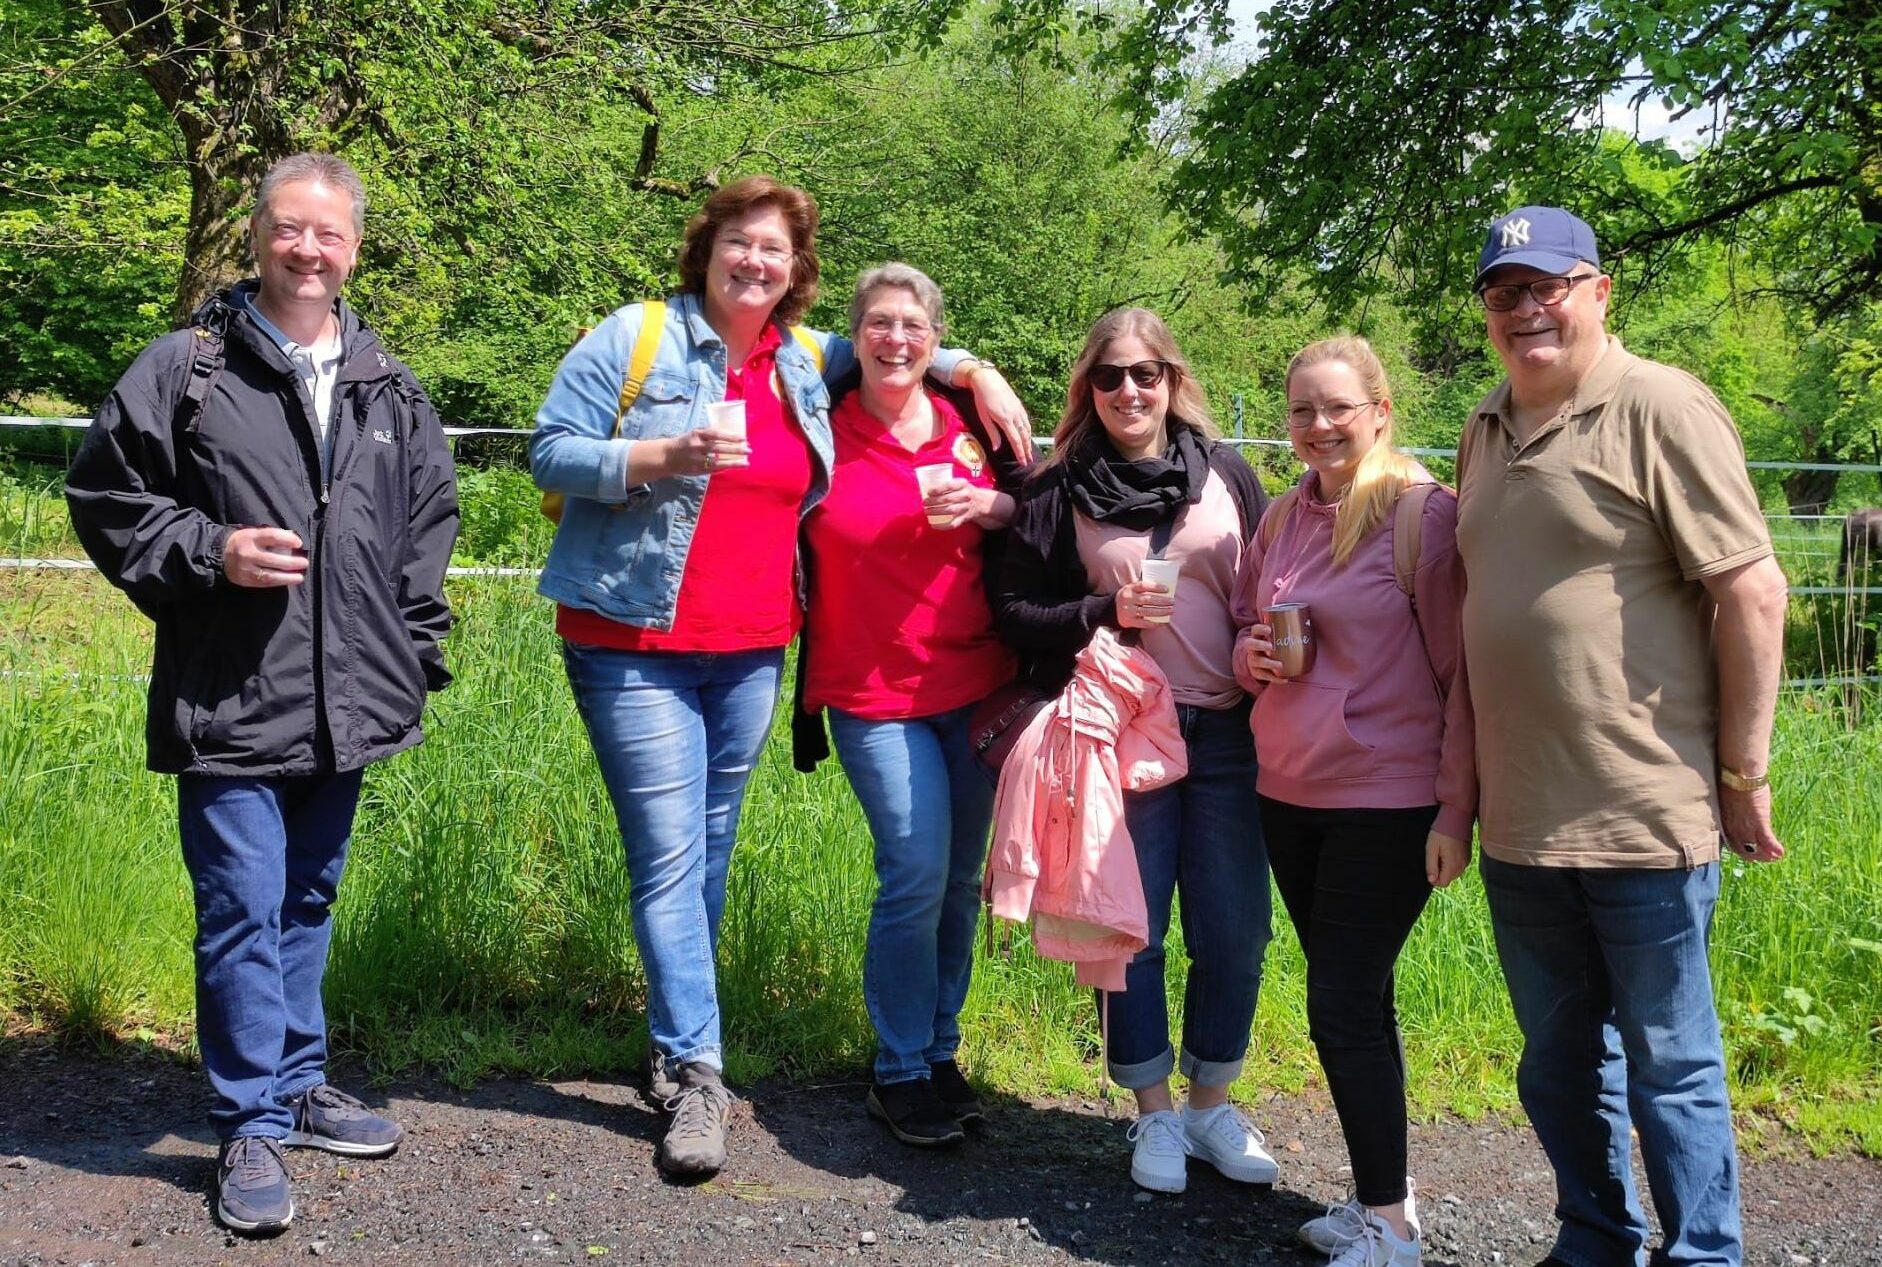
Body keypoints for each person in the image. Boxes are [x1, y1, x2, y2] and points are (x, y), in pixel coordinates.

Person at [529, 176, 1028, 1180]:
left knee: (706, 853)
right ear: (706, 247)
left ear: (796, 271)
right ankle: (695, 1072)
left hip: (754, 647)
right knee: (671, 856)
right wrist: (660, 451)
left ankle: (684, 1039)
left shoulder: (805, 358)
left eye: (776, 250)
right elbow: (547, 451)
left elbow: (900, 344)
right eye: (740, 243)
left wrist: (976, 367)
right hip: (633, 638)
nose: (756, 261)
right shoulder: (635, 336)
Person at [64, 152, 459, 1236]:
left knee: (305, 899)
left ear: (354, 246)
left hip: (350, 704)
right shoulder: (184, 369)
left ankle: (295, 1079)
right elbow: (106, 496)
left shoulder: (388, 383)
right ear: (258, 235)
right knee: (241, 906)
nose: (308, 249)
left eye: (328, 233)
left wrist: (410, 654)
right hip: (230, 694)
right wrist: (210, 548)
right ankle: (247, 1120)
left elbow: (426, 532)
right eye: (290, 228)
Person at [1457, 206, 1789, 1267]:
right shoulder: (1481, 425)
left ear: (1599, 291)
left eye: (1546, 285)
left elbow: (1752, 592)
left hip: (1644, 812)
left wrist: (1744, 769)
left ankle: (1703, 1255)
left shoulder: (1658, 405)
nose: (1525, 309)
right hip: (1520, 824)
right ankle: (1594, 1240)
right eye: (1504, 293)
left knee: (1671, 1064)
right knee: (1556, 1063)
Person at [992, 306, 1275, 1195]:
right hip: (1119, 738)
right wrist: (1100, 613)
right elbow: (1012, 616)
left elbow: (1272, 585)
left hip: (1228, 729)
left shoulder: (1228, 473)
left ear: (1173, 381)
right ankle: (1152, 1113)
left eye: (1145, 373)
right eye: (1110, 376)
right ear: (1088, 389)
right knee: (1131, 931)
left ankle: (1211, 1104)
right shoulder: (1055, 489)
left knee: (1237, 931)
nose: (1128, 390)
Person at [1231, 336, 1474, 1267]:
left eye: (1337, 406)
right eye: (1301, 410)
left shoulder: (1423, 516)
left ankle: (1391, 1231)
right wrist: (1249, 659)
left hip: (1389, 798)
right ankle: (1388, 1192)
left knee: (1337, 1003)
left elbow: (1463, 676)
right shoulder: (1286, 516)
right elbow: (1253, 627)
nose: (1318, 425)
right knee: (1361, 1000)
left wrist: (1455, 808)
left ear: (1380, 409)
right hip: (1289, 791)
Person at [794, 263, 1032, 1147]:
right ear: (854, 336)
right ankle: (895, 1066)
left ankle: (938, 1048)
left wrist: (991, 502)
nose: (897, 339)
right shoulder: (817, 418)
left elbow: (1037, 510)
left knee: (960, 879)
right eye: (879, 324)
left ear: (937, 337)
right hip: (869, 691)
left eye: (915, 326)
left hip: (976, 685)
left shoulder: (974, 421)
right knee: (914, 868)